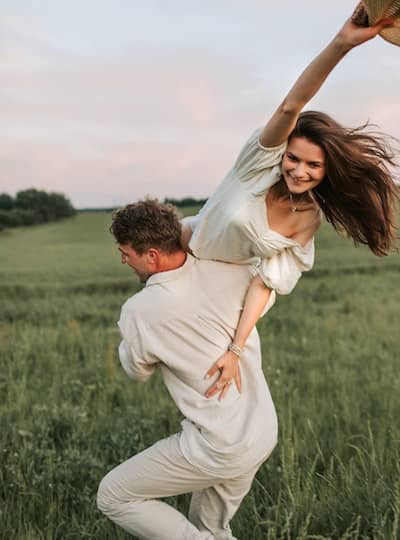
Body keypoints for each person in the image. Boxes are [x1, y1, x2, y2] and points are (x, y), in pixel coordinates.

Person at [181, 17, 400, 398]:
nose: (299, 171)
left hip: (222, 296)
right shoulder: (259, 163)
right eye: (294, 158)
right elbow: (291, 106)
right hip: (182, 259)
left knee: (215, 393)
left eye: (313, 165)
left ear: (327, 169)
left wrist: (236, 349)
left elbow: (264, 282)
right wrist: (342, 43)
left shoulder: (308, 218)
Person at [97, 198, 277, 540]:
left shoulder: (139, 311)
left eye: (125, 252)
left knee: (113, 495)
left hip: (219, 445)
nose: (122, 259)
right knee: (211, 528)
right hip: (261, 430)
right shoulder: (226, 268)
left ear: (151, 255)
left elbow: (137, 371)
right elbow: (266, 297)